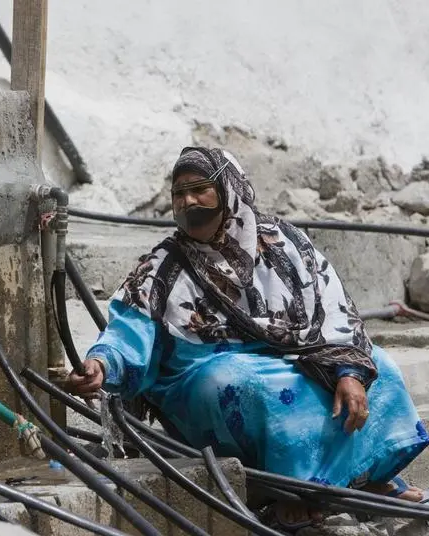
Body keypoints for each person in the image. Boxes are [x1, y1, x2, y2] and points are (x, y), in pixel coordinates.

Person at [65, 147, 429, 530]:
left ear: (229, 189)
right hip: (202, 374)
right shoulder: (164, 267)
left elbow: (334, 307)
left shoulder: (286, 245)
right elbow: (128, 330)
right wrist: (102, 364)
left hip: (291, 355)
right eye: (178, 193)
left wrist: (348, 369)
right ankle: (288, 491)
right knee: (247, 384)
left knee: (379, 367)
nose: (187, 201)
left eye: (199, 188)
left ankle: (366, 479)